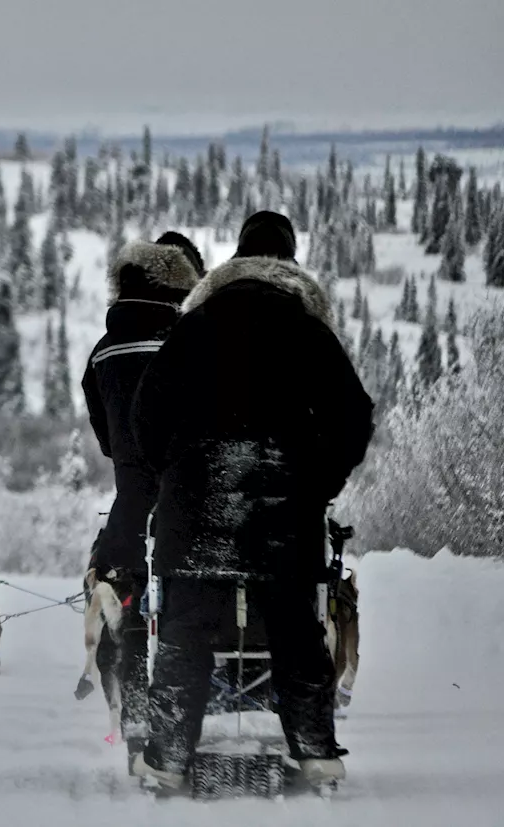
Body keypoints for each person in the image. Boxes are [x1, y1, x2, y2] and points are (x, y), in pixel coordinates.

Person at [128, 211, 375, 790]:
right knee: (295, 632)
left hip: (195, 505)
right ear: (289, 267)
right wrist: (320, 481)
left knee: (185, 634)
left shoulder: (194, 328)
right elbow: (353, 415)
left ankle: (166, 760)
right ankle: (314, 754)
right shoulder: (308, 330)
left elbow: (146, 418)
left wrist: (179, 474)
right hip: (283, 508)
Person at [76, 232, 204, 753]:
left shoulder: (103, 351)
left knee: (126, 605)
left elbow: (107, 441)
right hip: (189, 506)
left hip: (130, 509)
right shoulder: (193, 340)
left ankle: (132, 710)